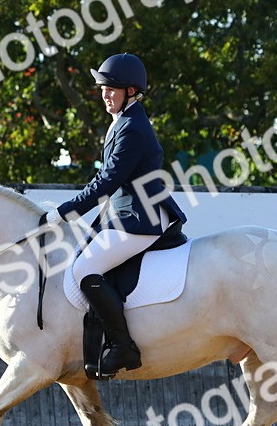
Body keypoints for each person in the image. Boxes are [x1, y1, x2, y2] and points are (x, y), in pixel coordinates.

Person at [45, 53, 187, 377]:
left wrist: (66, 210)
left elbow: (108, 180)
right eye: (103, 88)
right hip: (125, 214)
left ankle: (123, 345)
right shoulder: (122, 121)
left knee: (84, 268)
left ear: (132, 91)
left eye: (112, 89)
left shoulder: (133, 127)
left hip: (141, 218)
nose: (105, 95)